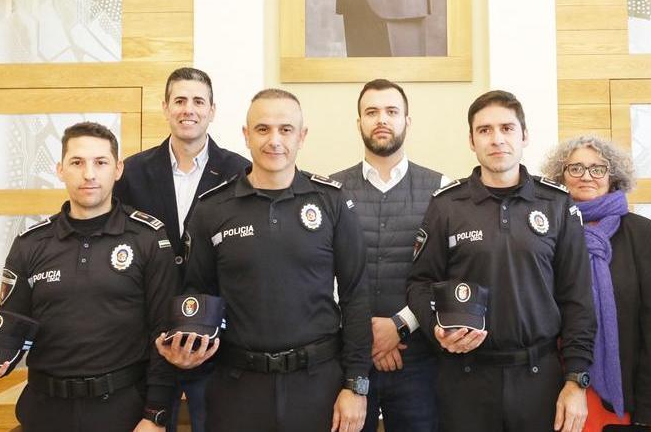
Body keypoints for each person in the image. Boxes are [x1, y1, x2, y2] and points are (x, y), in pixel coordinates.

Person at [158, 88, 371, 432]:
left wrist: (356, 386)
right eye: (262, 129)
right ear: (246, 135)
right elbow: (197, 294)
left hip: (318, 386)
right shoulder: (212, 209)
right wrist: (184, 344)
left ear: (302, 137)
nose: (274, 141)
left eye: (286, 130)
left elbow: (356, 297)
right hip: (236, 388)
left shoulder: (331, 202)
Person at [0, 122, 178, 431]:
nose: (89, 174)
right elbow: (11, 327)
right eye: (77, 162)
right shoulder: (31, 244)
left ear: (118, 169)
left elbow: (164, 333)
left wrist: (155, 415)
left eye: (101, 162)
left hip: (121, 411)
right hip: (45, 410)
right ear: (60, 169)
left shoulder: (147, 238)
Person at [406, 90, 596, 432]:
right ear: (471, 140)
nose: (497, 140)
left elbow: (578, 300)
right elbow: (419, 284)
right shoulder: (446, 205)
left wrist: (577, 380)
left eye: (507, 129)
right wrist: (436, 329)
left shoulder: (556, 205)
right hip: (465, 379)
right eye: (485, 130)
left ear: (524, 136)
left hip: (541, 381)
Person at [115, 67, 250, 430]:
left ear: (212, 110)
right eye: (180, 101)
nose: (188, 109)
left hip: (216, 335)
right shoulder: (132, 172)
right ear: (165, 107)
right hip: (145, 332)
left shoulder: (241, 172)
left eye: (198, 101)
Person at [332, 79, 449, 432]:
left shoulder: (442, 189)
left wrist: (399, 326)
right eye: (371, 112)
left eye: (391, 111)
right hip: (348, 360)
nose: (381, 119)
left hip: (420, 362)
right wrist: (367, 337)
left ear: (407, 122)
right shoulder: (329, 191)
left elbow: (446, 275)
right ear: (359, 123)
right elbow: (322, 273)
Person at [541, 136, 651, 430]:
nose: (586, 176)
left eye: (598, 168)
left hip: (622, 395)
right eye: (575, 168)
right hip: (555, 390)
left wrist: (648, 409)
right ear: (560, 176)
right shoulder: (544, 230)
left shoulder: (641, 233)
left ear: (613, 178)